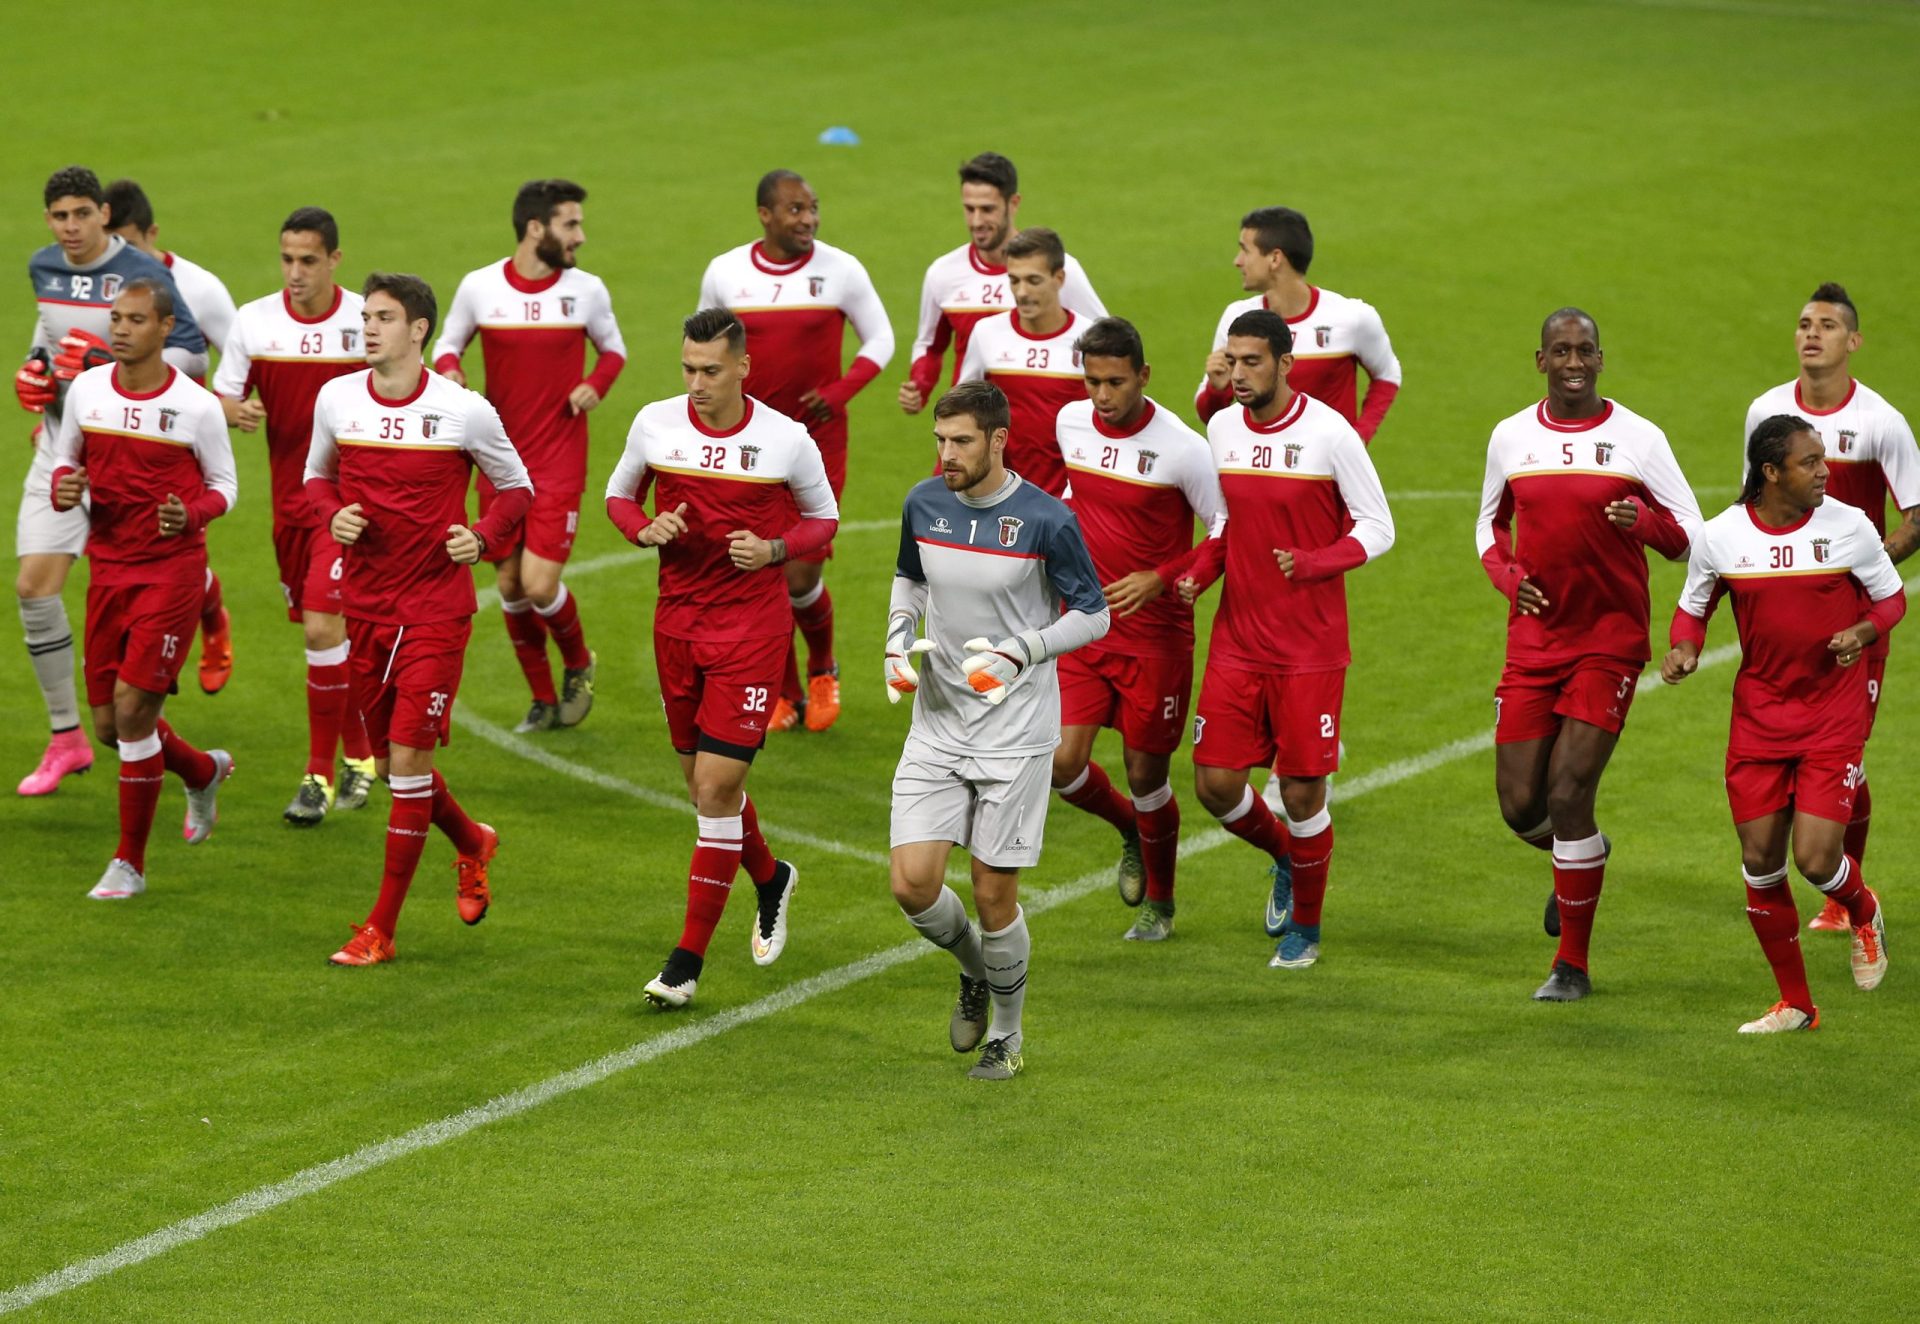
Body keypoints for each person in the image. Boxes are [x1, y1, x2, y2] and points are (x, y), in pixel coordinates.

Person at [605, 308, 836, 1008]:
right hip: (675, 627)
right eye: (688, 369)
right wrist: (645, 528)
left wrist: (774, 551)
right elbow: (618, 496)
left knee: (713, 792)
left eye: (710, 370)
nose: (697, 383)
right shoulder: (655, 423)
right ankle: (770, 877)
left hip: (751, 633)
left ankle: (685, 963)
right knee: (708, 792)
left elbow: (823, 519)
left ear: (742, 368)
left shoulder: (785, 439)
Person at [304, 273, 533, 966]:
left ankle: (381, 928)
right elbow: (316, 477)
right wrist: (330, 513)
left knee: (406, 760)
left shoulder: (464, 411)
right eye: (366, 316)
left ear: (419, 331)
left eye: (384, 317)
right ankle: (472, 841)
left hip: (435, 611)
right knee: (403, 766)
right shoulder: (337, 398)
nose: (368, 327)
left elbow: (517, 488)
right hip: (365, 609)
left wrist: (484, 539)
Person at [885, 379, 1110, 1079]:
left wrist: (1022, 651)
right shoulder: (924, 503)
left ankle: (1006, 1036)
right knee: (912, 886)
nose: (946, 455)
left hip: (1014, 733)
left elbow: (1094, 613)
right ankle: (976, 971)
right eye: (940, 441)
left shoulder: (1046, 521)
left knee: (991, 893)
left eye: (960, 442)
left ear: (998, 440)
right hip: (938, 724)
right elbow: (909, 579)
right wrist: (897, 640)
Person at [1476, 308, 1702, 1001]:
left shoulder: (1639, 438)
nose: (1574, 361)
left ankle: (1570, 966)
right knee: (1521, 805)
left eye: (1585, 350)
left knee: (1570, 791)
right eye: (1560, 350)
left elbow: (1694, 534)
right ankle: (1584, 859)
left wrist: (1647, 524)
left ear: (1601, 358)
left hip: (1608, 640)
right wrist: (1511, 580)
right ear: (1540, 360)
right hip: (1535, 641)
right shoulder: (1512, 437)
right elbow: (1489, 525)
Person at [1662, 414, 1900, 1033]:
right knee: (1760, 863)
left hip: (1832, 715)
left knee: (1817, 860)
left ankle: (1862, 907)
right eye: (1810, 461)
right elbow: (1693, 607)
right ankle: (1796, 1003)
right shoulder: (1722, 536)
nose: (1825, 470)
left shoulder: (1850, 526)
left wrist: (1863, 630)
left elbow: (1891, 596)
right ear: (1770, 473)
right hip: (1760, 721)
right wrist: (1684, 648)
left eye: (1823, 458)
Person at [1177, 310, 1394, 970]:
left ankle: (1307, 927)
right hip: (1238, 639)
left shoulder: (1331, 435)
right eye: (1231, 362)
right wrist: (1198, 574)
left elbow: (1378, 526)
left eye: (1252, 362)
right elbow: (1223, 524)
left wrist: (1316, 562)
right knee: (1215, 783)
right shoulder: (1219, 429)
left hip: (1309, 649)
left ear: (1284, 363)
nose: (1238, 374)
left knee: (1302, 794)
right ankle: (1284, 856)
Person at [15, 166, 207, 797]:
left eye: (80, 215)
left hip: (127, 456)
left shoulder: (145, 274)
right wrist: (37, 371)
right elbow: (49, 339)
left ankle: (204, 595)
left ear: (103, 213)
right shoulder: (43, 266)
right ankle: (65, 739)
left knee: (131, 680)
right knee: (33, 588)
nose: (70, 228)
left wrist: (103, 363)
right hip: (61, 451)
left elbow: (191, 358)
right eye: (58, 216)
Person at [45, 279, 235, 898]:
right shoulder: (89, 392)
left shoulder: (196, 405)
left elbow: (226, 486)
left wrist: (193, 514)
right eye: (116, 319)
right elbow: (66, 462)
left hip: (172, 573)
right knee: (108, 727)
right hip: (109, 570)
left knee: (132, 712)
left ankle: (129, 864)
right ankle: (202, 770)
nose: (120, 330)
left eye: (134, 320)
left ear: (164, 328)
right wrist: (65, 488)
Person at [1742, 282, 1920, 932]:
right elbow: (1751, 503)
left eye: (1826, 324)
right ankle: (1839, 881)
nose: (1811, 333)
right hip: (1784, 620)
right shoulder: (1766, 411)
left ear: (1853, 341)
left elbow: (1917, 518)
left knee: (1847, 754)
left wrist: (1861, 574)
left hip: (1855, 622)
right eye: (1803, 323)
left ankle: (1844, 893)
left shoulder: (1880, 421)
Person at [697, 169, 892, 734]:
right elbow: (707, 345)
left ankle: (822, 668)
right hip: (750, 442)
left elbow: (879, 337)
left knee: (799, 572)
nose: (807, 220)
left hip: (816, 441)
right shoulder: (727, 273)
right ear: (764, 214)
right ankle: (781, 691)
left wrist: (840, 391)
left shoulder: (840, 269)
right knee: (760, 571)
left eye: (812, 208)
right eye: (794, 210)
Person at [1051, 317, 1224, 940]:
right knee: (1061, 763)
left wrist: (1164, 576)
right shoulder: (1070, 424)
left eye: (1115, 382)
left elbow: (1225, 533)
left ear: (1143, 376)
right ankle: (1128, 827)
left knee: (1146, 772)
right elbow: (1074, 496)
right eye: (1093, 381)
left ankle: (1162, 903)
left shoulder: (1184, 448)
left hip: (1156, 638)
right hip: (1086, 627)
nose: (1102, 395)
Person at [434, 179, 627, 734]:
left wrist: (596, 383)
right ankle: (542, 700)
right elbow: (448, 342)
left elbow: (613, 349)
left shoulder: (586, 290)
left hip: (560, 457)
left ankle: (578, 662)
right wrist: (451, 369)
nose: (581, 237)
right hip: (498, 459)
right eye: (570, 224)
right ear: (535, 229)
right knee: (512, 587)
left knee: (540, 585)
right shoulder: (480, 287)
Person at [214, 206, 378, 824]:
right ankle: (362, 756)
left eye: (308, 260)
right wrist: (233, 411)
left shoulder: (364, 321)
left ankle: (317, 775)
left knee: (321, 628)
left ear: (335, 259)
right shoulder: (254, 322)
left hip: (347, 508)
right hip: (288, 507)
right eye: (287, 259)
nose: (295, 272)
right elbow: (224, 393)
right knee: (334, 638)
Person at [103, 177, 240, 697]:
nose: (123, 259)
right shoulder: (107, 290)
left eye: (131, 245)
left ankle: (202, 628)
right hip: (115, 442)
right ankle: (175, 638)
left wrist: (226, 401)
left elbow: (240, 353)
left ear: (153, 234)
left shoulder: (198, 288)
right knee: (123, 550)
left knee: (173, 546)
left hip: (179, 447)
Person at [899, 152, 1105, 414]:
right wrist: (921, 384)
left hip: (1043, 434)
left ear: (1013, 203)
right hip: (970, 431)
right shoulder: (943, 273)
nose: (976, 221)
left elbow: (1103, 342)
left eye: (987, 209)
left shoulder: (1059, 270)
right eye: (969, 209)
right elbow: (930, 344)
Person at [1194, 206, 1401, 437]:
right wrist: (1216, 389)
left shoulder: (1351, 317)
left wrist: (1359, 436)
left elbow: (1388, 374)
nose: (1238, 261)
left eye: (1245, 250)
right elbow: (1209, 415)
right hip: (1260, 465)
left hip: (1324, 471)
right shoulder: (1237, 318)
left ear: (1275, 258)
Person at [954, 227, 1089, 498]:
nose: (1022, 292)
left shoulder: (1087, 340)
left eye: (1033, 280)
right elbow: (961, 413)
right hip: (1004, 497)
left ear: (1059, 278)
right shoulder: (987, 333)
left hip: (1070, 501)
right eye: (1014, 280)